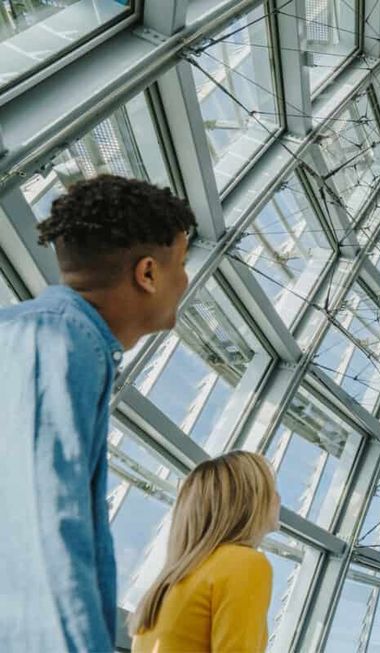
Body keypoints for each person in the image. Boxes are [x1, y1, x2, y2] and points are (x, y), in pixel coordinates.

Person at [0, 175, 196, 652]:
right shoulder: (59, 344)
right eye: (183, 264)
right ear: (147, 274)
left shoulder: (47, 336)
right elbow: (35, 534)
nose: (186, 279)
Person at [130, 451, 280, 653]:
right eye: (271, 489)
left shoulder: (168, 584)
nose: (279, 498)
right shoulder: (245, 563)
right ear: (251, 500)